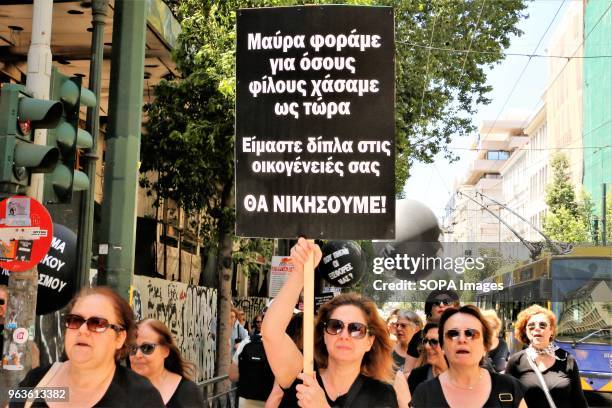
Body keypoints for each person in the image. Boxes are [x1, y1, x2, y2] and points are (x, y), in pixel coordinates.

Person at [262, 238, 398, 408]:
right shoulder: (303, 378)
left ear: (369, 341)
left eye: (356, 329)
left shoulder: (382, 395)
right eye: (336, 326)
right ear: (324, 334)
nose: (344, 335)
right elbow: (271, 333)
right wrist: (300, 272)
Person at [12, 286, 164, 407]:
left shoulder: (141, 398)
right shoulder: (35, 381)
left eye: (97, 323)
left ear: (119, 338)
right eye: (75, 321)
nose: (82, 330)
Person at [411, 305, 527, 408]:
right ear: (442, 346)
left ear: (485, 346)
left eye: (471, 333)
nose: (462, 339)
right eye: (453, 334)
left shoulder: (510, 388)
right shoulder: (424, 393)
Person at [505, 304, 588, 408]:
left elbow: (579, 400)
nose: (536, 329)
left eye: (542, 325)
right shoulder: (515, 361)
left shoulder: (567, 359)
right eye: (531, 326)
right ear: (525, 331)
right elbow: (507, 400)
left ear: (551, 330)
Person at [129, 319, 204, 407]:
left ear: (165, 351)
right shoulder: (121, 390)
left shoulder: (188, 392)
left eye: (147, 348)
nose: (137, 355)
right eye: (133, 348)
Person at [404, 289, 460, 374]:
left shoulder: (464, 334)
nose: (441, 305)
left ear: (456, 308)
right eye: (436, 303)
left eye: (446, 302)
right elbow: (407, 372)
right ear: (430, 310)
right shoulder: (418, 337)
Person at [407, 322, 448, 395]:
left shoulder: (464, 376)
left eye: (434, 342)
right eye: (425, 341)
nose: (427, 346)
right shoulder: (416, 376)